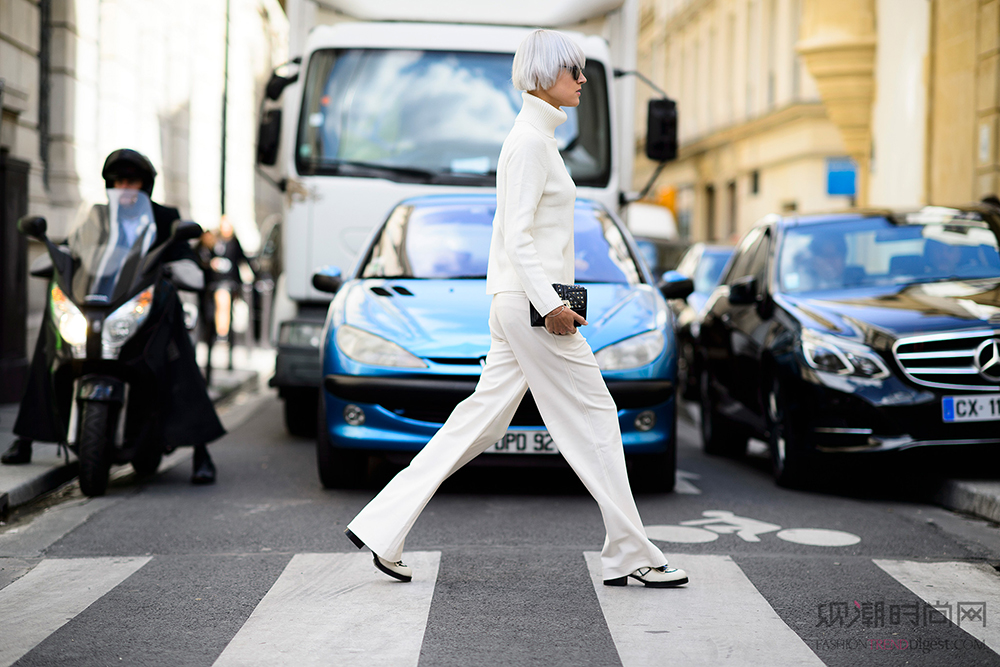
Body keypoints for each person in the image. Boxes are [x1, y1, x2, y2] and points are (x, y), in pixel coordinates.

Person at [343, 30, 688, 589]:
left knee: (477, 423)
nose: (580, 80)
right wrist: (550, 303)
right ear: (543, 77)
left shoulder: (536, 138)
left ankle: (383, 526)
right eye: (572, 71)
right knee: (595, 420)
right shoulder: (529, 142)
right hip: (535, 307)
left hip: (517, 303)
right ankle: (633, 552)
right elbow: (517, 236)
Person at [1, 149, 223, 485]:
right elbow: (76, 249)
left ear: (145, 185)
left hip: (147, 305)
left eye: (132, 180)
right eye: (119, 181)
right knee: (51, 344)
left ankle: (200, 451)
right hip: (99, 302)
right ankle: (27, 438)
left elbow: (182, 253)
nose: (126, 187)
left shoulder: (165, 217)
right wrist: (58, 259)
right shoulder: (97, 216)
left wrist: (184, 266)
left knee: (178, 354)